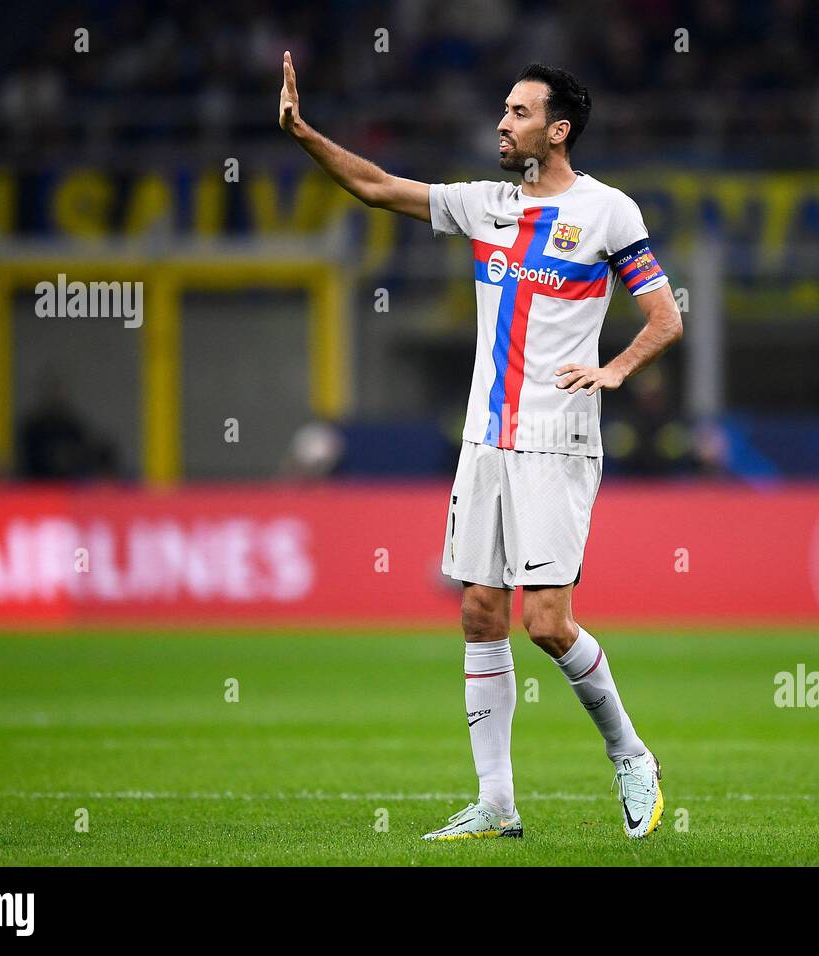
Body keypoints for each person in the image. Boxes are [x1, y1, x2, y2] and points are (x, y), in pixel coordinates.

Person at [280, 53, 683, 840]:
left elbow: (665, 318)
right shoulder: (483, 205)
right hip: (484, 440)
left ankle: (632, 755)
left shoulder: (608, 213)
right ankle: (496, 803)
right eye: (503, 111)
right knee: (477, 611)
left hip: (556, 441)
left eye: (519, 113)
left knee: (548, 623)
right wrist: (301, 132)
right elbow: (374, 185)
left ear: (557, 130)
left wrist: (613, 369)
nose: (502, 123)